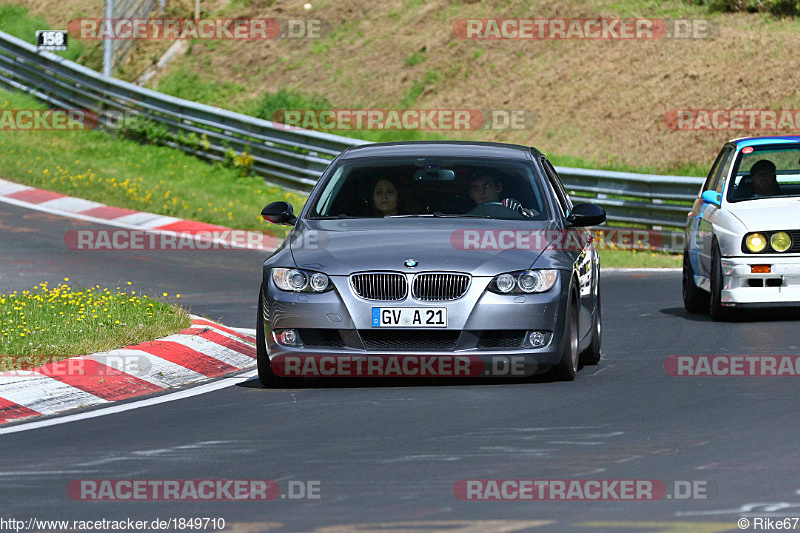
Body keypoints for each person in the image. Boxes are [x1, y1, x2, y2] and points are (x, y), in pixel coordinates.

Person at [467, 172, 536, 217]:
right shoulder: (461, 220)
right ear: (471, 194)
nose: (481, 192)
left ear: (498, 188)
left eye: (487, 186)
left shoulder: (515, 208)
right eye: (475, 189)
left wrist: (521, 213)